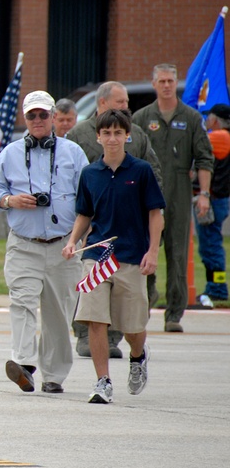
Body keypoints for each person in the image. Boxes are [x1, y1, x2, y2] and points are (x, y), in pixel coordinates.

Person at [0, 90, 88, 394]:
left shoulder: (74, 153)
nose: (38, 120)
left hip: (63, 247)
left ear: (54, 116)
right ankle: (24, 364)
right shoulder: (10, 153)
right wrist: (9, 199)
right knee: (22, 302)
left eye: (44, 114)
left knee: (58, 313)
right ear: (25, 118)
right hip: (23, 244)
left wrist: (80, 238)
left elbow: (87, 197)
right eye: (32, 115)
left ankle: (53, 376)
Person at [63, 108, 164, 404]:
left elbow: (156, 214)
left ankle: (138, 355)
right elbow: (85, 214)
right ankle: (102, 381)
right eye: (106, 133)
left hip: (131, 257)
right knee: (95, 319)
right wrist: (72, 242)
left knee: (132, 326)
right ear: (98, 136)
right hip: (97, 256)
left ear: (127, 135)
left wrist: (152, 251)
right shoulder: (90, 174)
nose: (112, 138)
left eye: (118, 133)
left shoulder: (141, 171)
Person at [132, 63, 214, 332]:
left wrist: (203, 194)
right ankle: (145, 299)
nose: (166, 85)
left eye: (170, 81)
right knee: (145, 249)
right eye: (162, 81)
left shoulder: (190, 118)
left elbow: (204, 158)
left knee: (178, 253)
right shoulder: (142, 118)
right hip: (148, 191)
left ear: (176, 83)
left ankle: (174, 313)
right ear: (154, 84)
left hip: (179, 190)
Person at [196, 103, 230, 302]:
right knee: (211, 244)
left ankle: (217, 287)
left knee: (210, 245)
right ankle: (216, 285)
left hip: (213, 200)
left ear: (215, 120)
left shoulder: (220, 137)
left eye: (209, 118)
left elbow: (197, 144)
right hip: (220, 199)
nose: (207, 121)